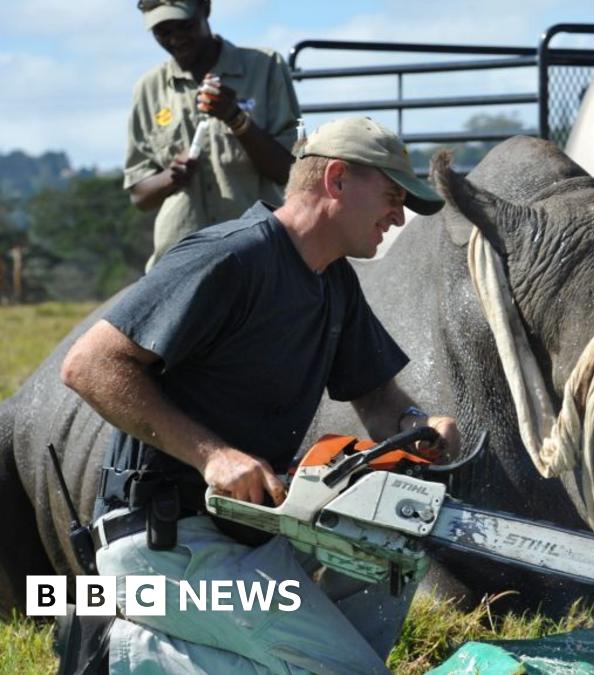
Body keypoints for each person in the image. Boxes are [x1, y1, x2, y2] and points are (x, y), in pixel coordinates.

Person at [62, 116, 457, 674]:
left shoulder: (333, 281)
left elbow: (377, 397)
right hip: (164, 543)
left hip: (256, 534)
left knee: (389, 552)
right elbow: (89, 365)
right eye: (393, 196)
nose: (399, 215)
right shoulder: (229, 257)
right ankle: (126, 655)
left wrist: (419, 425)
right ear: (337, 179)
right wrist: (212, 456)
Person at [126, 0, 301, 270]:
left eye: (184, 26)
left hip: (257, 254)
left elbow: (289, 172)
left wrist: (236, 119)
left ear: (205, 9)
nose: (175, 39)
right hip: (180, 263)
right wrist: (170, 176)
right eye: (162, 31)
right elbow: (139, 195)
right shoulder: (148, 89)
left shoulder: (264, 66)